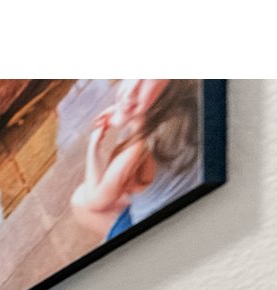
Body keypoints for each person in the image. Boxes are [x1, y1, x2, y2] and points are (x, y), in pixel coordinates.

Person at [72, 79, 202, 241]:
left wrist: (94, 144)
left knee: (80, 200)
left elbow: (95, 201)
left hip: (161, 236)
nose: (132, 89)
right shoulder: (188, 105)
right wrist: (125, 112)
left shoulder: (135, 153)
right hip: (185, 201)